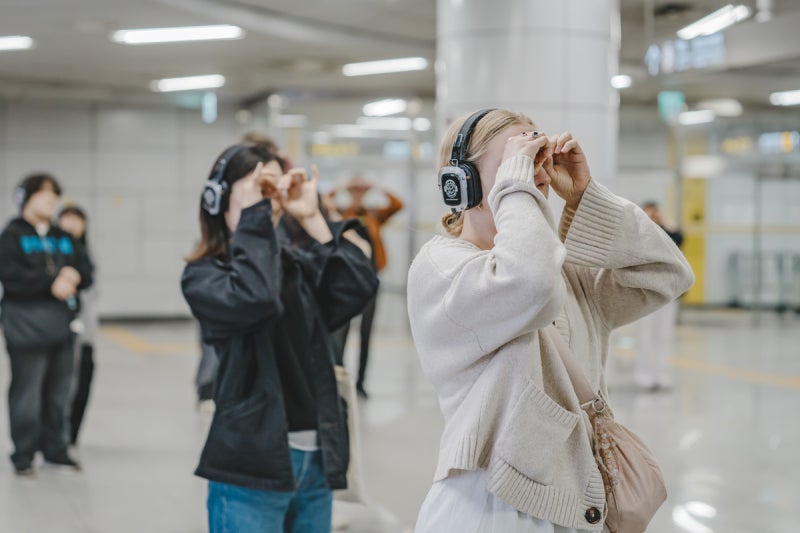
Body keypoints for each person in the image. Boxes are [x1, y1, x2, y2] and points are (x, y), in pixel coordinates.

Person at [407, 109, 694, 532]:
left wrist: (585, 197)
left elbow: (667, 273)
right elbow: (528, 285)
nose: (533, 172)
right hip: (489, 508)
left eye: (537, 157)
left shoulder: (559, 273)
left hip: (572, 505)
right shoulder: (442, 268)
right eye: (514, 158)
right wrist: (517, 184)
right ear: (461, 180)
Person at [181, 144, 378, 532]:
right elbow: (254, 297)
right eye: (259, 188)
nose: (269, 201)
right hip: (251, 467)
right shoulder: (204, 276)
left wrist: (313, 218)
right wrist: (255, 215)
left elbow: (358, 286)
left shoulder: (292, 264)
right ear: (217, 199)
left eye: (273, 190)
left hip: (316, 460)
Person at [0, 174, 93, 475]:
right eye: (43, 195)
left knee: (60, 392)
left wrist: (74, 276)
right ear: (25, 199)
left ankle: (56, 449)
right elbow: (10, 276)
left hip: (62, 326)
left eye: (54, 195)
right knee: (27, 393)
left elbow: (85, 267)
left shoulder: (61, 236)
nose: (50, 201)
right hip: (26, 326)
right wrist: (50, 282)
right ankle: (24, 454)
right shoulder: (12, 236)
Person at [327, 177, 404, 398]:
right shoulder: (342, 214)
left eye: (362, 191)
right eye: (355, 191)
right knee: (341, 332)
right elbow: (325, 201)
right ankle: (340, 377)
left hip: (371, 280)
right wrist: (342, 186)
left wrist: (377, 187)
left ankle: (361, 382)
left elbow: (398, 204)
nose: (359, 194)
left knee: (366, 333)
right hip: (346, 282)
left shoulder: (374, 216)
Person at [57, 206, 98, 444]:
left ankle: (71, 435)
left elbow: (92, 292)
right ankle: (54, 435)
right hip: (57, 332)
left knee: (83, 383)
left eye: (77, 221)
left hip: (85, 332)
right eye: (67, 220)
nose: (72, 226)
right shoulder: (54, 250)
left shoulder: (88, 255)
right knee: (59, 387)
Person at [635, 201, 685, 391]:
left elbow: (680, 238)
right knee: (646, 336)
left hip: (668, 293)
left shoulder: (668, 234)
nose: (654, 216)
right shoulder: (639, 233)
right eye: (650, 213)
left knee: (664, 337)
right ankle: (644, 375)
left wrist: (665, 221)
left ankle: (662, 374)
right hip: (647, 293)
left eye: (657, 213)